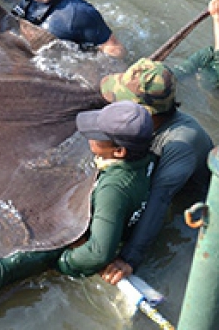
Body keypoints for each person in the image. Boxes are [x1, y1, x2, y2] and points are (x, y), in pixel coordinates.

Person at [97, 59, 214, 285]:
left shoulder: (180, 143)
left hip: (191, 206)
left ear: (146, 113)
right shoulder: (149, 125)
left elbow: (159, 201)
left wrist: (129, 258)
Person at [56, 101, 154, 278]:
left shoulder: (112, 190)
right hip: (122, 217)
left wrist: (66, 262)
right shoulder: (149, 157)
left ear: (118, 152)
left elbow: (99, 253)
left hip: (99, 234)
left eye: (96, 136)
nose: (90, 138)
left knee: (15, 262)